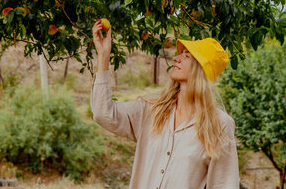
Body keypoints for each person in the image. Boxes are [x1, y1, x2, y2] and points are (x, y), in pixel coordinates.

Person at [91, 19, 239, 189]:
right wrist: (103, 56)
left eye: (186, 55)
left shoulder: (219, 125)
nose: (176, 58)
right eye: (180, 53)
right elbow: (103, 113)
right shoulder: (151, 109)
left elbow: (224, 184)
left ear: (201, 69)